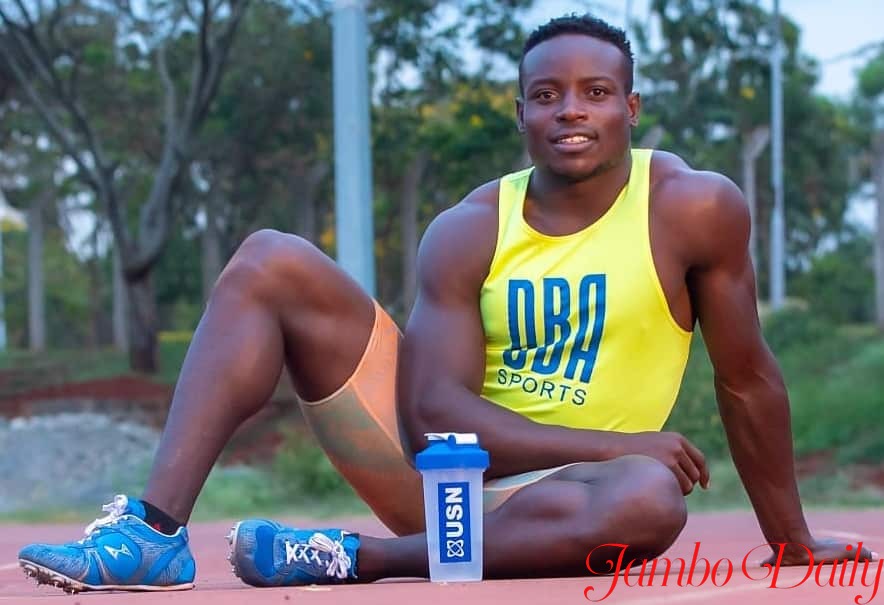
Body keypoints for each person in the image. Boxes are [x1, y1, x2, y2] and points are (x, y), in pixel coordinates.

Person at [18, 14, 876, 593]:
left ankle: (354, 557)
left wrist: (790, 538)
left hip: (582, 494)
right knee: (269, 258)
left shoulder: (693, 209)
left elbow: (747, 378)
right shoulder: (470, 227)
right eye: (547, 95)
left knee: (651, 499)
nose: (570, 111)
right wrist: (621, 440)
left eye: (595, 92)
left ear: (631, 107)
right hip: (450, 480)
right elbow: (433, 419)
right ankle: (154, 532)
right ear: (520, 111)